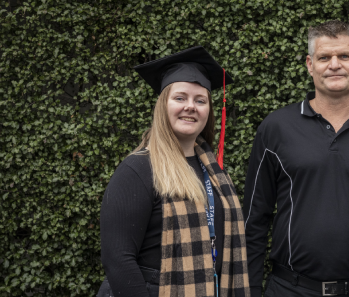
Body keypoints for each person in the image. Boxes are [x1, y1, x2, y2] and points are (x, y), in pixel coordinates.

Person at [243, 20, 349, 297]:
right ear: (310, 64)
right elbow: (254, 218)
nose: (334, 64)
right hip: (290, 289)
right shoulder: (276, 128)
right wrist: (247, 289)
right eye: (324, 57)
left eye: (344, 56)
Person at [99, 46, 250, 297]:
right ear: (163, 106)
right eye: (180, 98)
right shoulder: (138, 169)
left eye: (200, 100)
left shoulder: (214, 172)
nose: (191, 106)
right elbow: (118, 260)